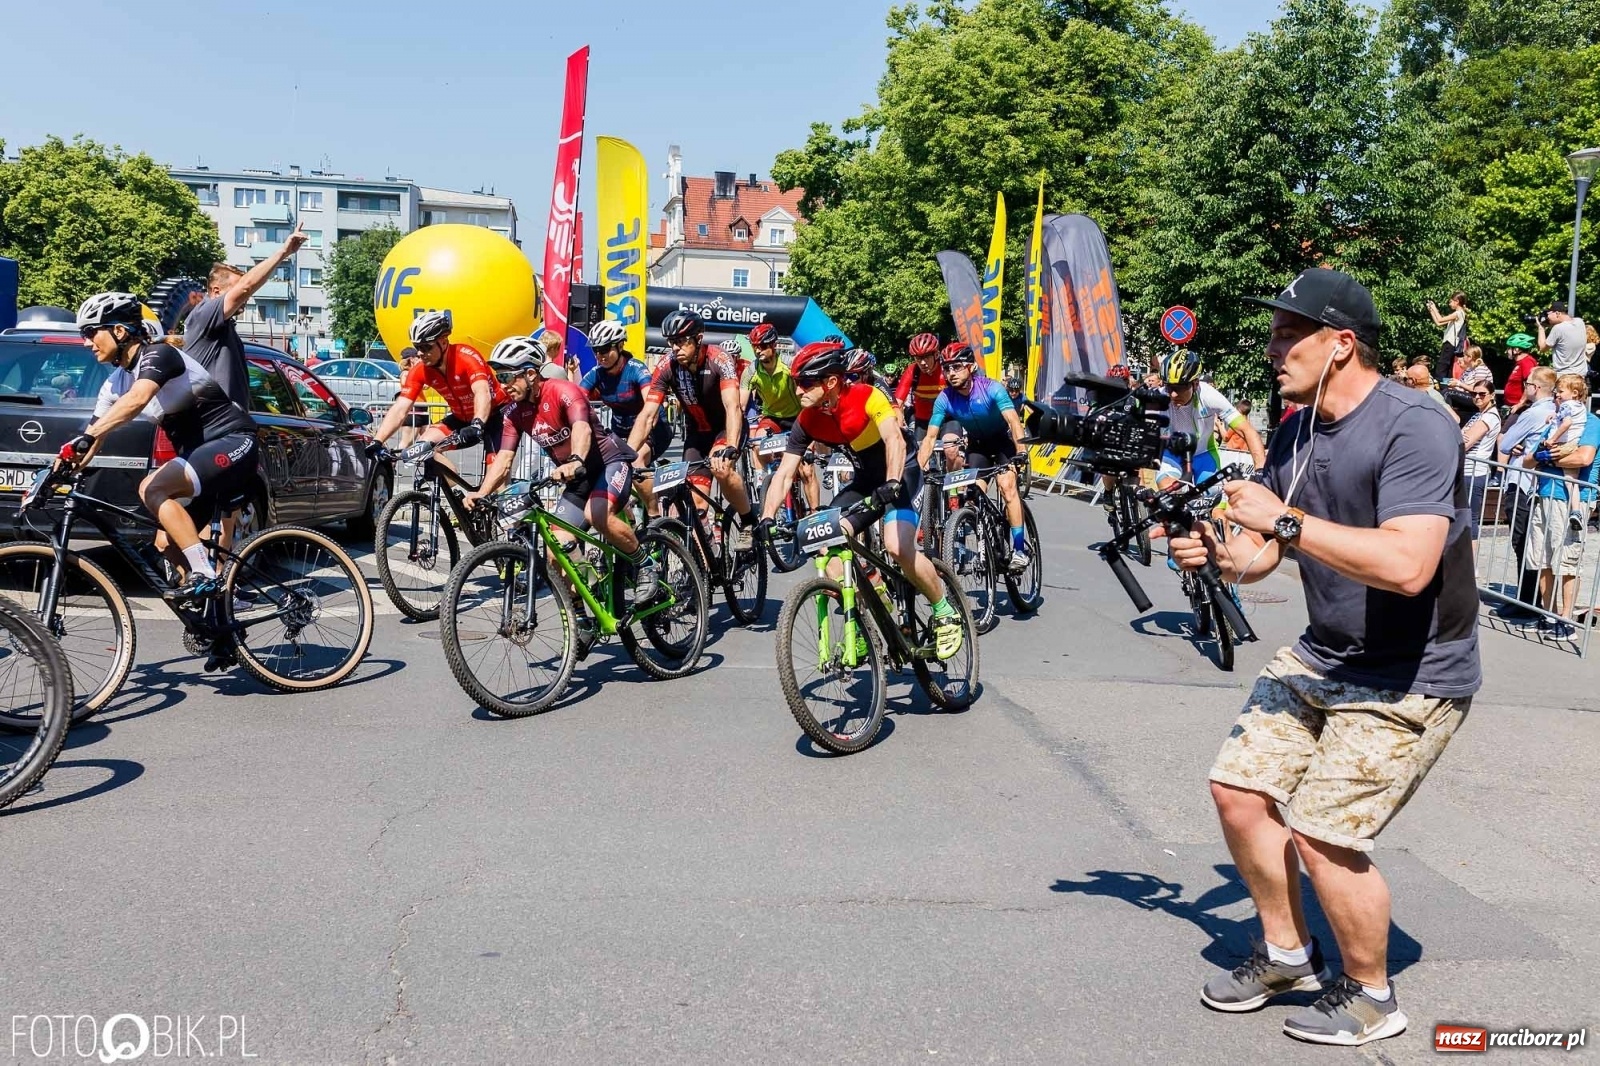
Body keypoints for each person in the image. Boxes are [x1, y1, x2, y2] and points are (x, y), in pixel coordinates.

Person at [1169, 269, 1477, 1047]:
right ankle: (1286, 953)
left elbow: (1408, 565)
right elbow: (1263, 555)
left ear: (1341, 343)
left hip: (1413, 670)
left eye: (1288, 335)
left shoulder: (1417, 425)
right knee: (1239, 791)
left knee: (1324, 832)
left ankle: (1372, 994)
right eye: (1273, 334)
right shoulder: (1295, 429)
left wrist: (1286, 522)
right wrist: (1217, 554)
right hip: (1324, 653)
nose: (1273, 350)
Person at [757, 341, 964, 659]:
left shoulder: (867, 396)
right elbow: (785, 473)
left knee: (897, 547)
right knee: (826, 544)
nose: (798, 390)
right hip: (866, 480)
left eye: (805, 383)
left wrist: (892, 482)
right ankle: (868, 612)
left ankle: (945, 611)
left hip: (901, 473)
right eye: (797, 383)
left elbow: (894, 440)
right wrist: (767, 517)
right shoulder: (808, 419)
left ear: (830, 382)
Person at [65, 293, 260, 601]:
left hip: (233, 440)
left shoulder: (160, 355)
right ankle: (213, 609)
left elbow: (137, 399)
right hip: (198, 455)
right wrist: (55, 471)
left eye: (90, 332)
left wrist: (92, 435)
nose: (86, 342)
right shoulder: (114, 383)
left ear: (119, 331)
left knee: (152, 488)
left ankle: (205, 573)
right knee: (165, 543)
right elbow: (91, 436)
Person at [465, 337, 656, 604]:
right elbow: (504, 459)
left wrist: (576, 459)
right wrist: (481, 493)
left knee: (597, 514)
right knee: (556, 548)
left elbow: (582, 428)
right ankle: (584, 611)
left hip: (608, 463)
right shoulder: (514, 412)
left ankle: (645, 564)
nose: (503, 384)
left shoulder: (562, 390)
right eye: (499, 377)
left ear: (531, 374)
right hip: (578, 479)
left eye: (508, 376)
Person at [625, 309, 757, 550]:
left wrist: (730, 446)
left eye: (681, 341)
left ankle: (749, 522)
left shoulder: (719, 359)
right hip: (697, 434)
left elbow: (733, 407)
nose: (675, 348)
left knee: (722, 469)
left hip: (725, 429)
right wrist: (628, 454)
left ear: (698, 339)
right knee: (696, 506)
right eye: (671, 342)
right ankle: (705, 559)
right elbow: (647, 415)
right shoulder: (667, 366)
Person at [914, 342, 1032, 573]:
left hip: (1003, 444)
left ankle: (1019, 550)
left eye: (957, 367)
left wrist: (1021, 452)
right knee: (973, 496)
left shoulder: (992, 388)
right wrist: (918, 467)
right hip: (977, 447)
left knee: (1007, 487)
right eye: (947, 368)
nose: (951, 373)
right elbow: (930, 437)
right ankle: (986, 542)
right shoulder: (945, 398)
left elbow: (1013, 421)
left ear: (971, 367)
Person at [367, 310, 508, 463]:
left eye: (426, 347)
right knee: (422, 448)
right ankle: (442, 479)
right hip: (461, 418)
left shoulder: (466, 357)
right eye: (417, 347)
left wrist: (477, 423)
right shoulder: (420, 370)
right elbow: (400, 408)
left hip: (494, 415)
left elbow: (482, 392)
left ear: (443, 342)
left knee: (496, 472)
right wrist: (377, 441)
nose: (420, 353)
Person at [1155, 349, 1267, 486]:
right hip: (1173, 454)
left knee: (1213, 496)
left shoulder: (1209, 396)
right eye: (1169, 387)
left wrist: (1260, 471)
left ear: (1195, 383)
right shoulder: (1159, 398)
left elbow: (1247, 430)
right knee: (1168, 490)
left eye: (1180, 387)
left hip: (1204, 454)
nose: (1173, 394)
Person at [1498, 367, 1559, 617]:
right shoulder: (1553, 410)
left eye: (1527, 384)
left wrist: (1515, 444)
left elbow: (1506, 442)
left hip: (1522, 483)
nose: (1525, 388)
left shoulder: (1534, 413)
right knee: (1529, 541)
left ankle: (1527, 600)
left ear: (1535, 387)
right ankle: (1529, 597)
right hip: (1533, 484)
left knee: (1522, 540)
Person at [745, 321, 819, 510]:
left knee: (806, 469)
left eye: (762, 346)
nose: (758, 351)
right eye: (754, 346)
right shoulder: (751, 371)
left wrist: (810, 441)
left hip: (798, 417)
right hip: (772, 418)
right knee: (758, 445)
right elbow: (739, 406)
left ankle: (814, 514)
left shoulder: (790, 365)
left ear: (774, 345)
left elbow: (807, 398)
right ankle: (771, 478)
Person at [1459, 378, 1501, 539]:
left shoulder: (1489, 417)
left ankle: (1471, 553)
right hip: (1465, 470)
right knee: (1463, 518)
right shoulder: (1478, 415)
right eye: (1473, 394)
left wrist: (1458, 437)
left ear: (1492, 395)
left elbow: (1464, 443)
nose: (1477, 397)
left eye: (1482, 394)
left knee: (1470, 519)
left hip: (1474, 472)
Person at [894, 333, 945, 435]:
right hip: (923, 421)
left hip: (947, 419)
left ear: (936, 355)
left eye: (926, 357)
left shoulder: (946, 370)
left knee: (951, 444)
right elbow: (897, 402)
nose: (922, 363)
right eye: (918, 358)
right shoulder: (912, 371)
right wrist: (898, 424)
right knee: (918, 445)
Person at [1537, 303, 1589, 379]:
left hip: (1564, 376)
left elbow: (1542, 348)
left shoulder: (1558, 328)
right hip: (1581, 374)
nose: (1547, 317)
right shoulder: (1580, 322)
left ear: (1557, 313)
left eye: (1548, 314)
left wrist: (1541, 328)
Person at [1425, 292, 1468, 384]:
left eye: (1451, 301)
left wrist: (1434, 308)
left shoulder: (1458, 313)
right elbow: (1438, 323)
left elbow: (1440, 319)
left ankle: (1441, 384)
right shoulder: (1458, 314)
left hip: (1450, 343)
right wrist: (1431, 310)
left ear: (1457, 301)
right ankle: (1445, 384)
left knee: (1442, 365)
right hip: (1449, 343)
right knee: (1446, 367)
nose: (1449, 304)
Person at [1501, 333, 1538, 408]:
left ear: (1516, 350)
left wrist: (1521, 403)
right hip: (1513, 405)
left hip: (1520, 408)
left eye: (1509, 348)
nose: (1506, 351)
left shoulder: (1527, 361)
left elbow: (1530, 383)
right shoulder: (1520, 363)